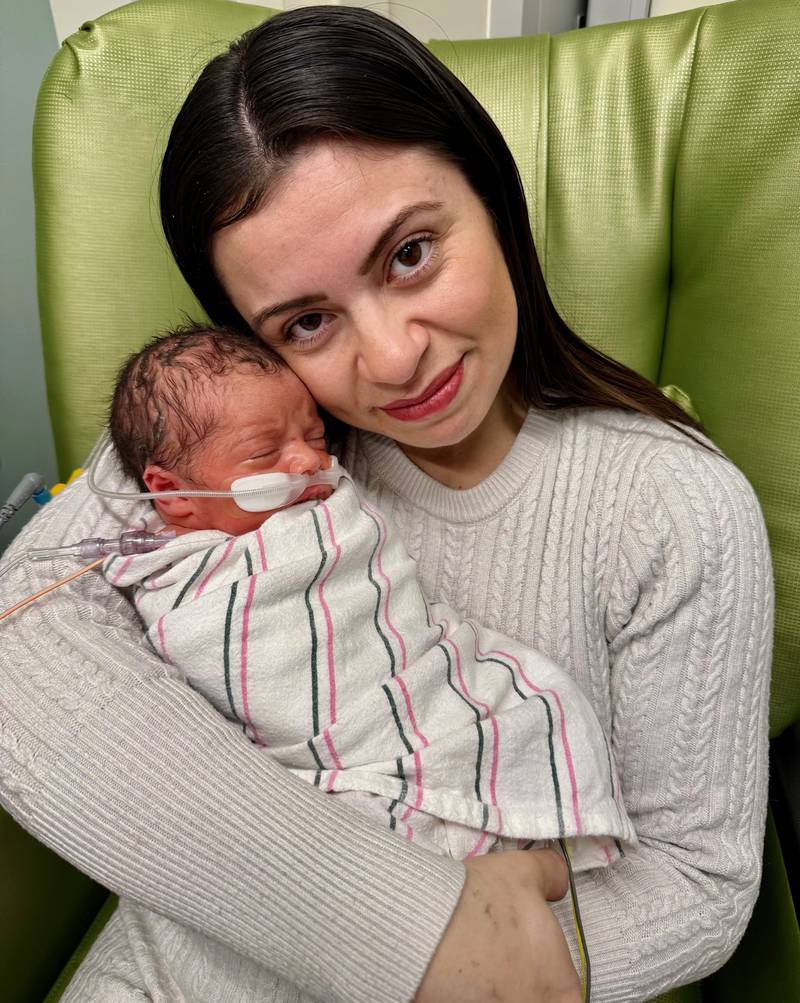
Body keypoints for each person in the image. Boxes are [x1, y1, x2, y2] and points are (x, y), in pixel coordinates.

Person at [0, 4, 773, 1003]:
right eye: (307, 319)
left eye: (408, 254)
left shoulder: (670, 510)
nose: (393, 356)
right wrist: (394, 921)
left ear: (489, 193)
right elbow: (17, 626)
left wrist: (469, 966)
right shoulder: (222, 443)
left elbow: (697, 882)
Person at [102, 322, 635, 874]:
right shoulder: (174, 572)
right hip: (308, 771)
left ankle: (506, 849)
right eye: (263, 453)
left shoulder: (328, 512)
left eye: (314, 437)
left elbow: (379, 605)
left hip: (416, 698)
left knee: (530, 703)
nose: (308, 462)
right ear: (170, 493)